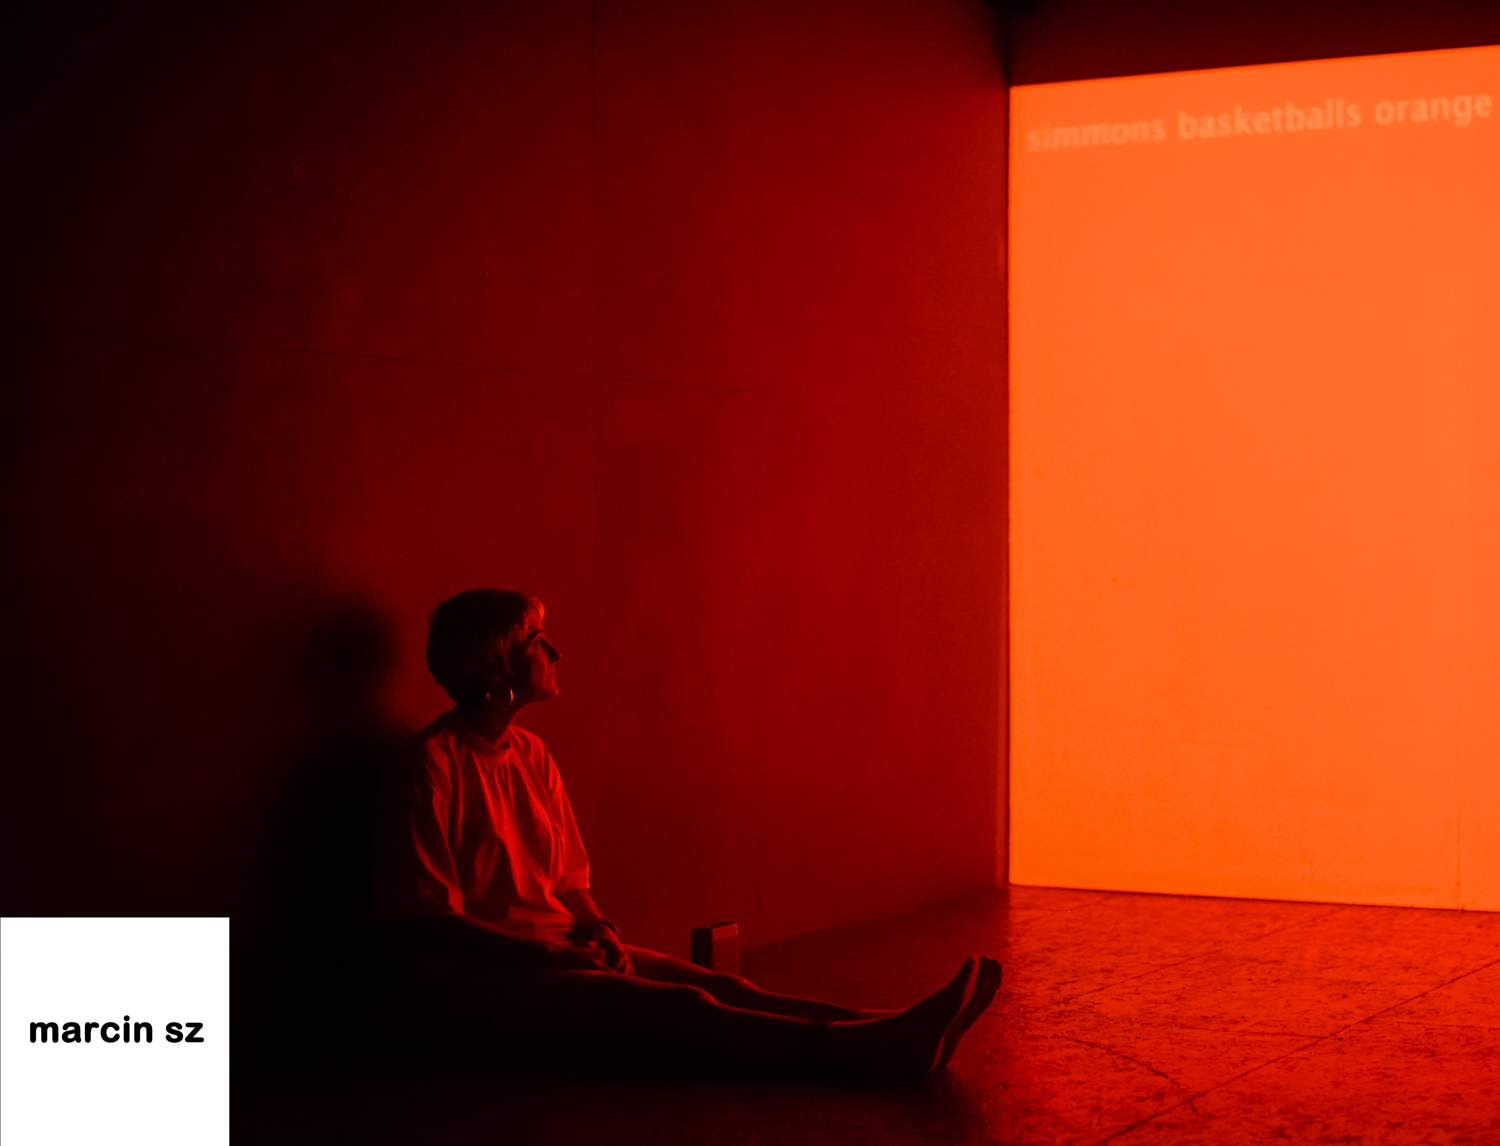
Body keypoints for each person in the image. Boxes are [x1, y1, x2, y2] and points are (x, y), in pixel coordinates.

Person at [371, 587, 1001, 1075]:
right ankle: (860, 1051)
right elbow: (429, 922)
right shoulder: (431, 765)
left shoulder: (531, 752)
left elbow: (567, 882)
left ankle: (884, 1027)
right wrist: (552, 954)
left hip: (560, 950)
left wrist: (600, 930)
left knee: (718, 983)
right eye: (539, 641)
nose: (556, 652)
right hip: (477, 986)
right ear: (497, 667)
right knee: (676, 1009)